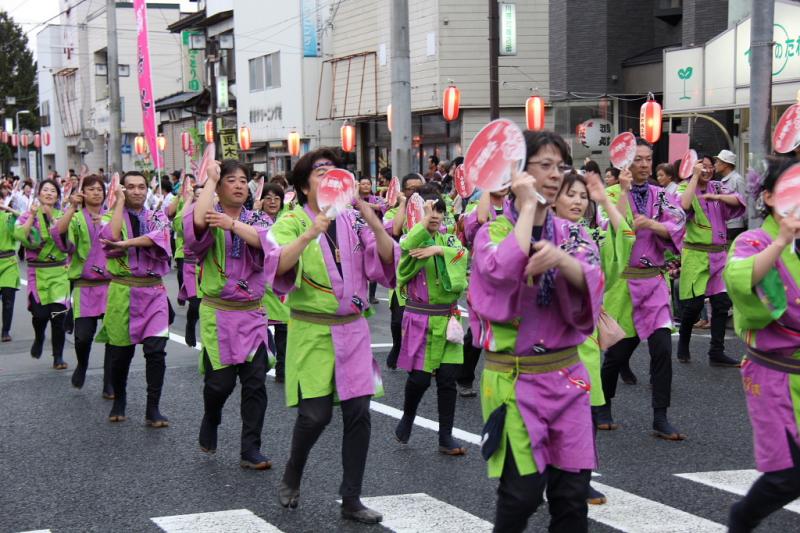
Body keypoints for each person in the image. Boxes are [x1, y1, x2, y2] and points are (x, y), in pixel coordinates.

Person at [471, 131, 603, 533]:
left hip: (567, 377)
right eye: (543, 165)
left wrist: (561, 260)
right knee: (522, 493)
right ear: (518, 171)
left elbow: (593, 278)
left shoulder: (572, 234)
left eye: (560, 166)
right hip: (515, 381)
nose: (554, 175)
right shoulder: (491, 232)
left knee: (571, 495)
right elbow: (497, 274)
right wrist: (527, 207)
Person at [267, 148, 398, 524]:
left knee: (360, 413)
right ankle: (294, 468)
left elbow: (386, 259)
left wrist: (374, 221)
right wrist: (311, 232)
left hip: (354, 329)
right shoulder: (292, 220)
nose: (328, 177)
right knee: (315, 416)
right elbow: (276, 262)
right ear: (304, 186)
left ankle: (352, 498)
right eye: (319, 172)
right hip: (311, 329)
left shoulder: (355, 220)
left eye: (333, 172)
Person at [724, 156, 800, 532]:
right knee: (787, 474)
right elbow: (740, 280)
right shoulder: (756, 240)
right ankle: (742, 518)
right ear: (768, 196)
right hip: (776, 375)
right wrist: (783, 240)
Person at [185, 159, 274, 470]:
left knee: (255, 383)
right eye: (231, 180)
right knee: (219, 385)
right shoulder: (210, 214)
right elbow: (195, 227)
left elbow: (269, 244)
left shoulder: (259, 219)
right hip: (219, 314)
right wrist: (209, 180)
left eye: (243, 180)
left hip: (252, 314)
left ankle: (251, 449)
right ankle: (212, 416)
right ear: (220, 187)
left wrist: (233, 225)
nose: (238, 185)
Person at [552, 169, 633, 507]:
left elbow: (625, 240)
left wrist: (606, 200)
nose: (578, 202)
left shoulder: (588, 235)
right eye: (570, 194)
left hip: (582, 341)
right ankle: (551, 476)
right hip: (548, 342)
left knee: (583, 415)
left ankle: (580, 480)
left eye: (582, 197)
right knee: (554, 418)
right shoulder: (538, 234)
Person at [597, 138, 687, 440]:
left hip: (654, 281)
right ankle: (603, 403)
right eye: (638, 159)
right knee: (617, 354)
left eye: (649, 159)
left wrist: (651, 224)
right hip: (622, 282)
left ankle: (660, 416)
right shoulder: (609, 193)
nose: (645, 165)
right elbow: (615, 228)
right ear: (625, 163)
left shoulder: (661, 195)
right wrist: (622, 193)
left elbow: (676, 224)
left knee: (662, 349)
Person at [394, 188, 469, 455]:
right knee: (420, 379)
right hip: (420, 319)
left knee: (448, 379)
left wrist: (438, 250)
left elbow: (462, 258)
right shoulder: (411, 239)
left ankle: (445, 436)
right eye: (427, 211)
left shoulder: (449, 241)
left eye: (437, 210)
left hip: (447, 317)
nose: (433, 216)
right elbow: (406, 248)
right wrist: (424, 230)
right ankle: (408, 415)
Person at [97, 171, 173, 427]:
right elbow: (111, 237)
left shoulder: (157, 216)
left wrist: (128, 244)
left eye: (141, 187)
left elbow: (160, 239)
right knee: (120, 354)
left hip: (154, 292)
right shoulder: (110, 215)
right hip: (122, 292)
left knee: (156, 351)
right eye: (131, 187)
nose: (137, 191)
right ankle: (119, 399)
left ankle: (153, 408)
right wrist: (118, 202)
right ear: (123, 190)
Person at [676, 161, 744, 367]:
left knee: (722, 304)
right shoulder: (684, 187)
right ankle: (683, 342)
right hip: (696, 255)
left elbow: (737, 200)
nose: (706, 170)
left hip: (719, 255)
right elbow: (683, 206)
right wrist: (694, 178)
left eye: (708, 166)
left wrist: (717, 196)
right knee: (694, 305)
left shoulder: (717, 187)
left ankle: (716, 351)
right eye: (700, 166)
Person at [53, 175, 114, 397]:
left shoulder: (112, 216)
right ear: (83, 193)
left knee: (113, 337)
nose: (96, 192)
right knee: (83, 337)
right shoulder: (77, 218)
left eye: (100, 189)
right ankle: (82, 364)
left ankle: (109, 382)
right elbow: (60, 237)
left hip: (111, 286)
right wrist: (72, 206)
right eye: (91, 189)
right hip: (85, 286)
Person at [14, 179, 70, 369]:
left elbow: (67, 243)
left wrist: (54, 220)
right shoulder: (26, 216)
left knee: (58, 316)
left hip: (60, 272)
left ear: (57, 196)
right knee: (40, 315)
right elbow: (21, 237)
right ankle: (39, 338)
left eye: (53, 190)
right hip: (37, 272)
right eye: (45, 190)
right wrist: (32, 216)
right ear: (38, 194)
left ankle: (58, 357)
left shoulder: (63, 215)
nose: (48, 193)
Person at [383, 173, 424, 370]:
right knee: (398, 318)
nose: (415, 192)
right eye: (410, 189)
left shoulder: (430, 209)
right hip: (403, 274)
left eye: (419, 188)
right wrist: (402, 204)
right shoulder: (393, 212)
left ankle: (420, 357)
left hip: (427, 273)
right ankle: (397, 346)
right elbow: (396, 231)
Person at [256, 183, 290, 383]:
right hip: (259, 279)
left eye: (276, 198)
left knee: (284, 329)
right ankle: (260, 364)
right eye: (268, 198)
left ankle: (282, 368)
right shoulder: (254, 219)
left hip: (281, 278)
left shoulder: (288, 220)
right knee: (260, 327)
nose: (272, 202)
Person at [714, 149, 747, 243]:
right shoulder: (723, 180)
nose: (715, 164)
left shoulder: (737, 179)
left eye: (718, 162)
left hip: (735, 226)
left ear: (726, 164)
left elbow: (744, 202)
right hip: (725, 224)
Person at [0, 200, 21, 342]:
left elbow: (23, 218)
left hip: (9, 262)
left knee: (8, 298)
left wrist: (7, 208)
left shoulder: (7, 217)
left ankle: (5, 331)